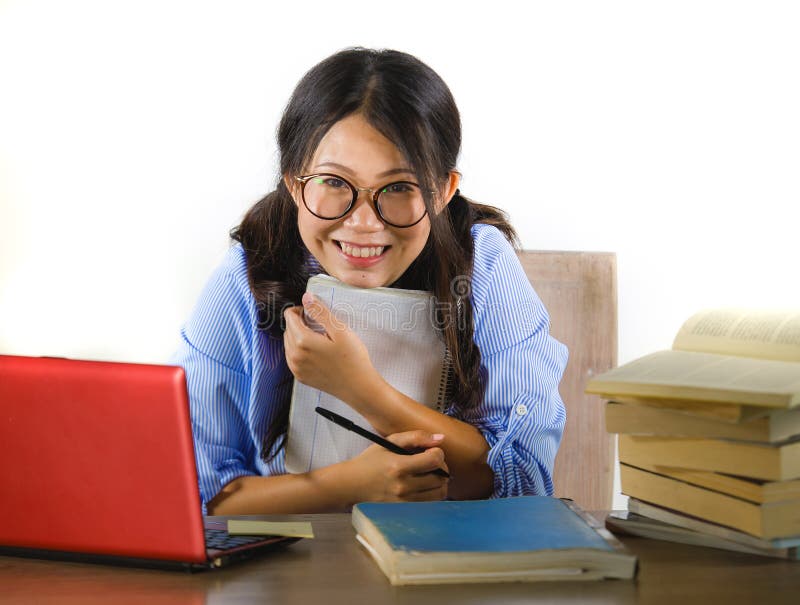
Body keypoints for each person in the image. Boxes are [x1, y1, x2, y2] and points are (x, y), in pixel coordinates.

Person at [171, 48, 568, 515]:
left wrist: (362, 388)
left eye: (399, 188)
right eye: (334, 183)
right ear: (294, 184)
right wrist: (351, 484)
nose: (363, 224)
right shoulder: (247, 271)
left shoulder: (483, 263)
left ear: (443, 191)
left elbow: (525, 481)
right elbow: (191, 496)